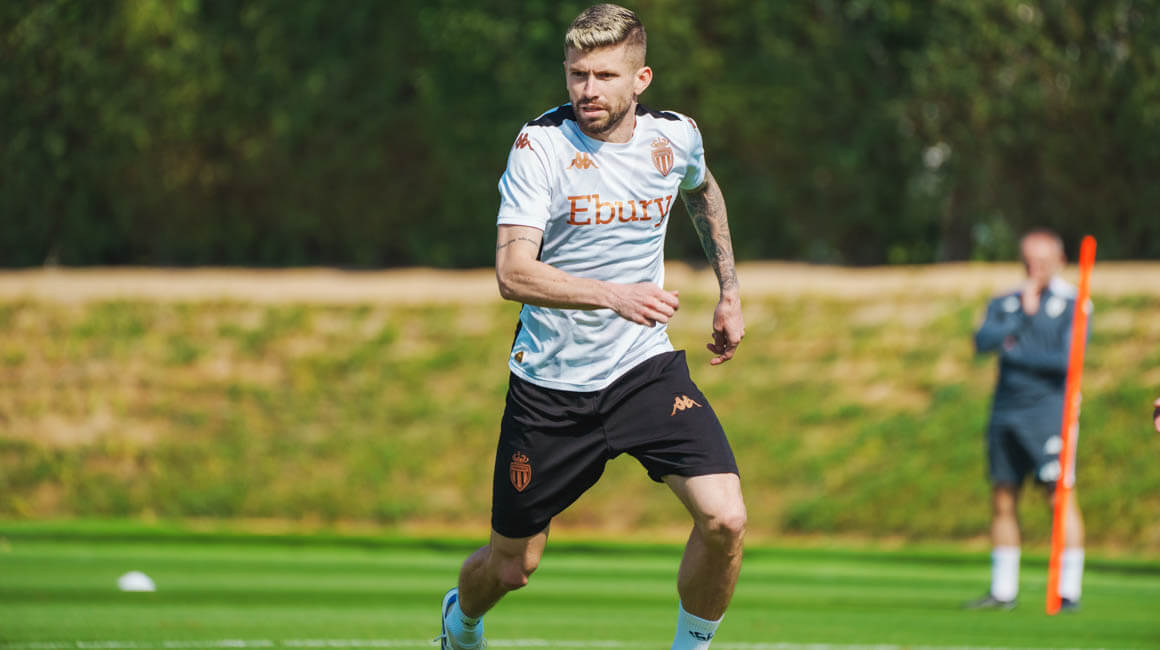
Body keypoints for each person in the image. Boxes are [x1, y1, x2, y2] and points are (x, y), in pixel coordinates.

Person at [437, 5, 746, 650]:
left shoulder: (675, 137)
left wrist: (729, 293)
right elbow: (512, 274)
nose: (587, 90)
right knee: (512, 567)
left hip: (642, 370)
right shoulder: (540, 147)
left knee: (725, 519)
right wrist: (613, 295)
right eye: (577, 74)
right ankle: (459, 623)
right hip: (551, 387)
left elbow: (703, 189)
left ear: (641, 78)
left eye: (605, 75)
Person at [967, 229, 1087, 611]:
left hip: (1049, 412)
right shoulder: (1006, 300)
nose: (1035, 268)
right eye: (1028, 261)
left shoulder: (1074, 303)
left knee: (1059, 497)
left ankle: (1067, 590)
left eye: (1043, 261)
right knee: (1003, 496)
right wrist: (1023, 317)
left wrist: (1015, 352)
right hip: (1005, 410)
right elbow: (983, 341)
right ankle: (1003, 590)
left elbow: (1066, 360)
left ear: (1060, 261)